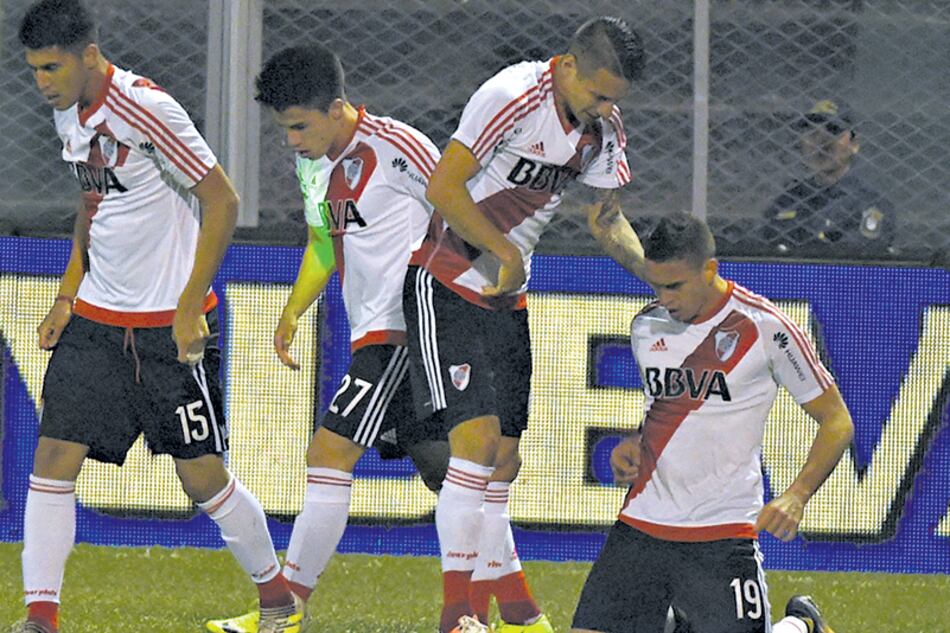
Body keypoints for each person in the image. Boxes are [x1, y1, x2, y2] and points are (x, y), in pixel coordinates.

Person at [15, 1, 302, 632]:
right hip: (95, 318)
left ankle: (279, 600)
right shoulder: (70, 114)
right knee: (53, 455)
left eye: (51, 67)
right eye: (33, 69)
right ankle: (41, 618)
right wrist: (67, 295)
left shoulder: (147, 108)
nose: (41, 82)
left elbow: (222, 200)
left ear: (89, 55)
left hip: (165, 327)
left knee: (202, 477)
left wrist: (188, 304)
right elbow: (91, 205)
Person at [404, 15, 648, 633]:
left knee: (504, 461)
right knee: (477, 444)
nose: (604, 107)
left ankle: (515, 611)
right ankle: (457, 615)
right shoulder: (511, 96)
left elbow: (605, 220)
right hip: (447, 279)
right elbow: (444, 187)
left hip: (508, 301)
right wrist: (507, 252)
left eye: (614, 98)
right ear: (568, 65)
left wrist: (664, 279)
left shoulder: (602, 130)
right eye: (597, 92)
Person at [205, 43, 449, 633]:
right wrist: (292, 311)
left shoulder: (399, 148)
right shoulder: (316, 164)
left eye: (299, 125)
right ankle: (523, 615)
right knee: (451, 474)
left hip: (403, 330)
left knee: (328, 454)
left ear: (337, 108)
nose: (291, 139)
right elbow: (323, 246)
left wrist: (457, 312)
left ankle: (285, 610)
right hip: (371, 330)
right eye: (284, 127)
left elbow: (457, 215)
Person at [570, 212, 854, 633]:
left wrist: (797, 495)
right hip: (642, 525)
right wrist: (635, 442)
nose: (664, 298)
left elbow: (837, 421)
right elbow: (669, 409)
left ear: (710, 269)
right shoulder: (647, 327)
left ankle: (800, 626)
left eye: (675, 286)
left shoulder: (765, 328)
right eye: (657, 285)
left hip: (722, 533)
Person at [762, 99, 897, 258]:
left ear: (854, 144)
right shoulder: (787, 201)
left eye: (833, 131)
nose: (821, 143)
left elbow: (854, 260)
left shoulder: (869, 204)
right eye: (812, 133)